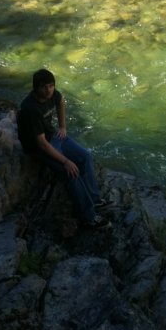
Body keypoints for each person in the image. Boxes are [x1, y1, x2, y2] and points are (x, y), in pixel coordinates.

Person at [17, 68, 110, 229]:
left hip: (53, 136)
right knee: (71, 172)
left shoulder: (52, 95)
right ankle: (88, 217)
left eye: (51, 86)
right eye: (44, 87)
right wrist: (66, 161)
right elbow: (42, 144)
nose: (49, 90)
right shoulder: (30, 109)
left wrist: (62, 126)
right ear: (36, 88)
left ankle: (94, 199)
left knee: (85, 156)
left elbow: (61, 101)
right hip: (38, 148)